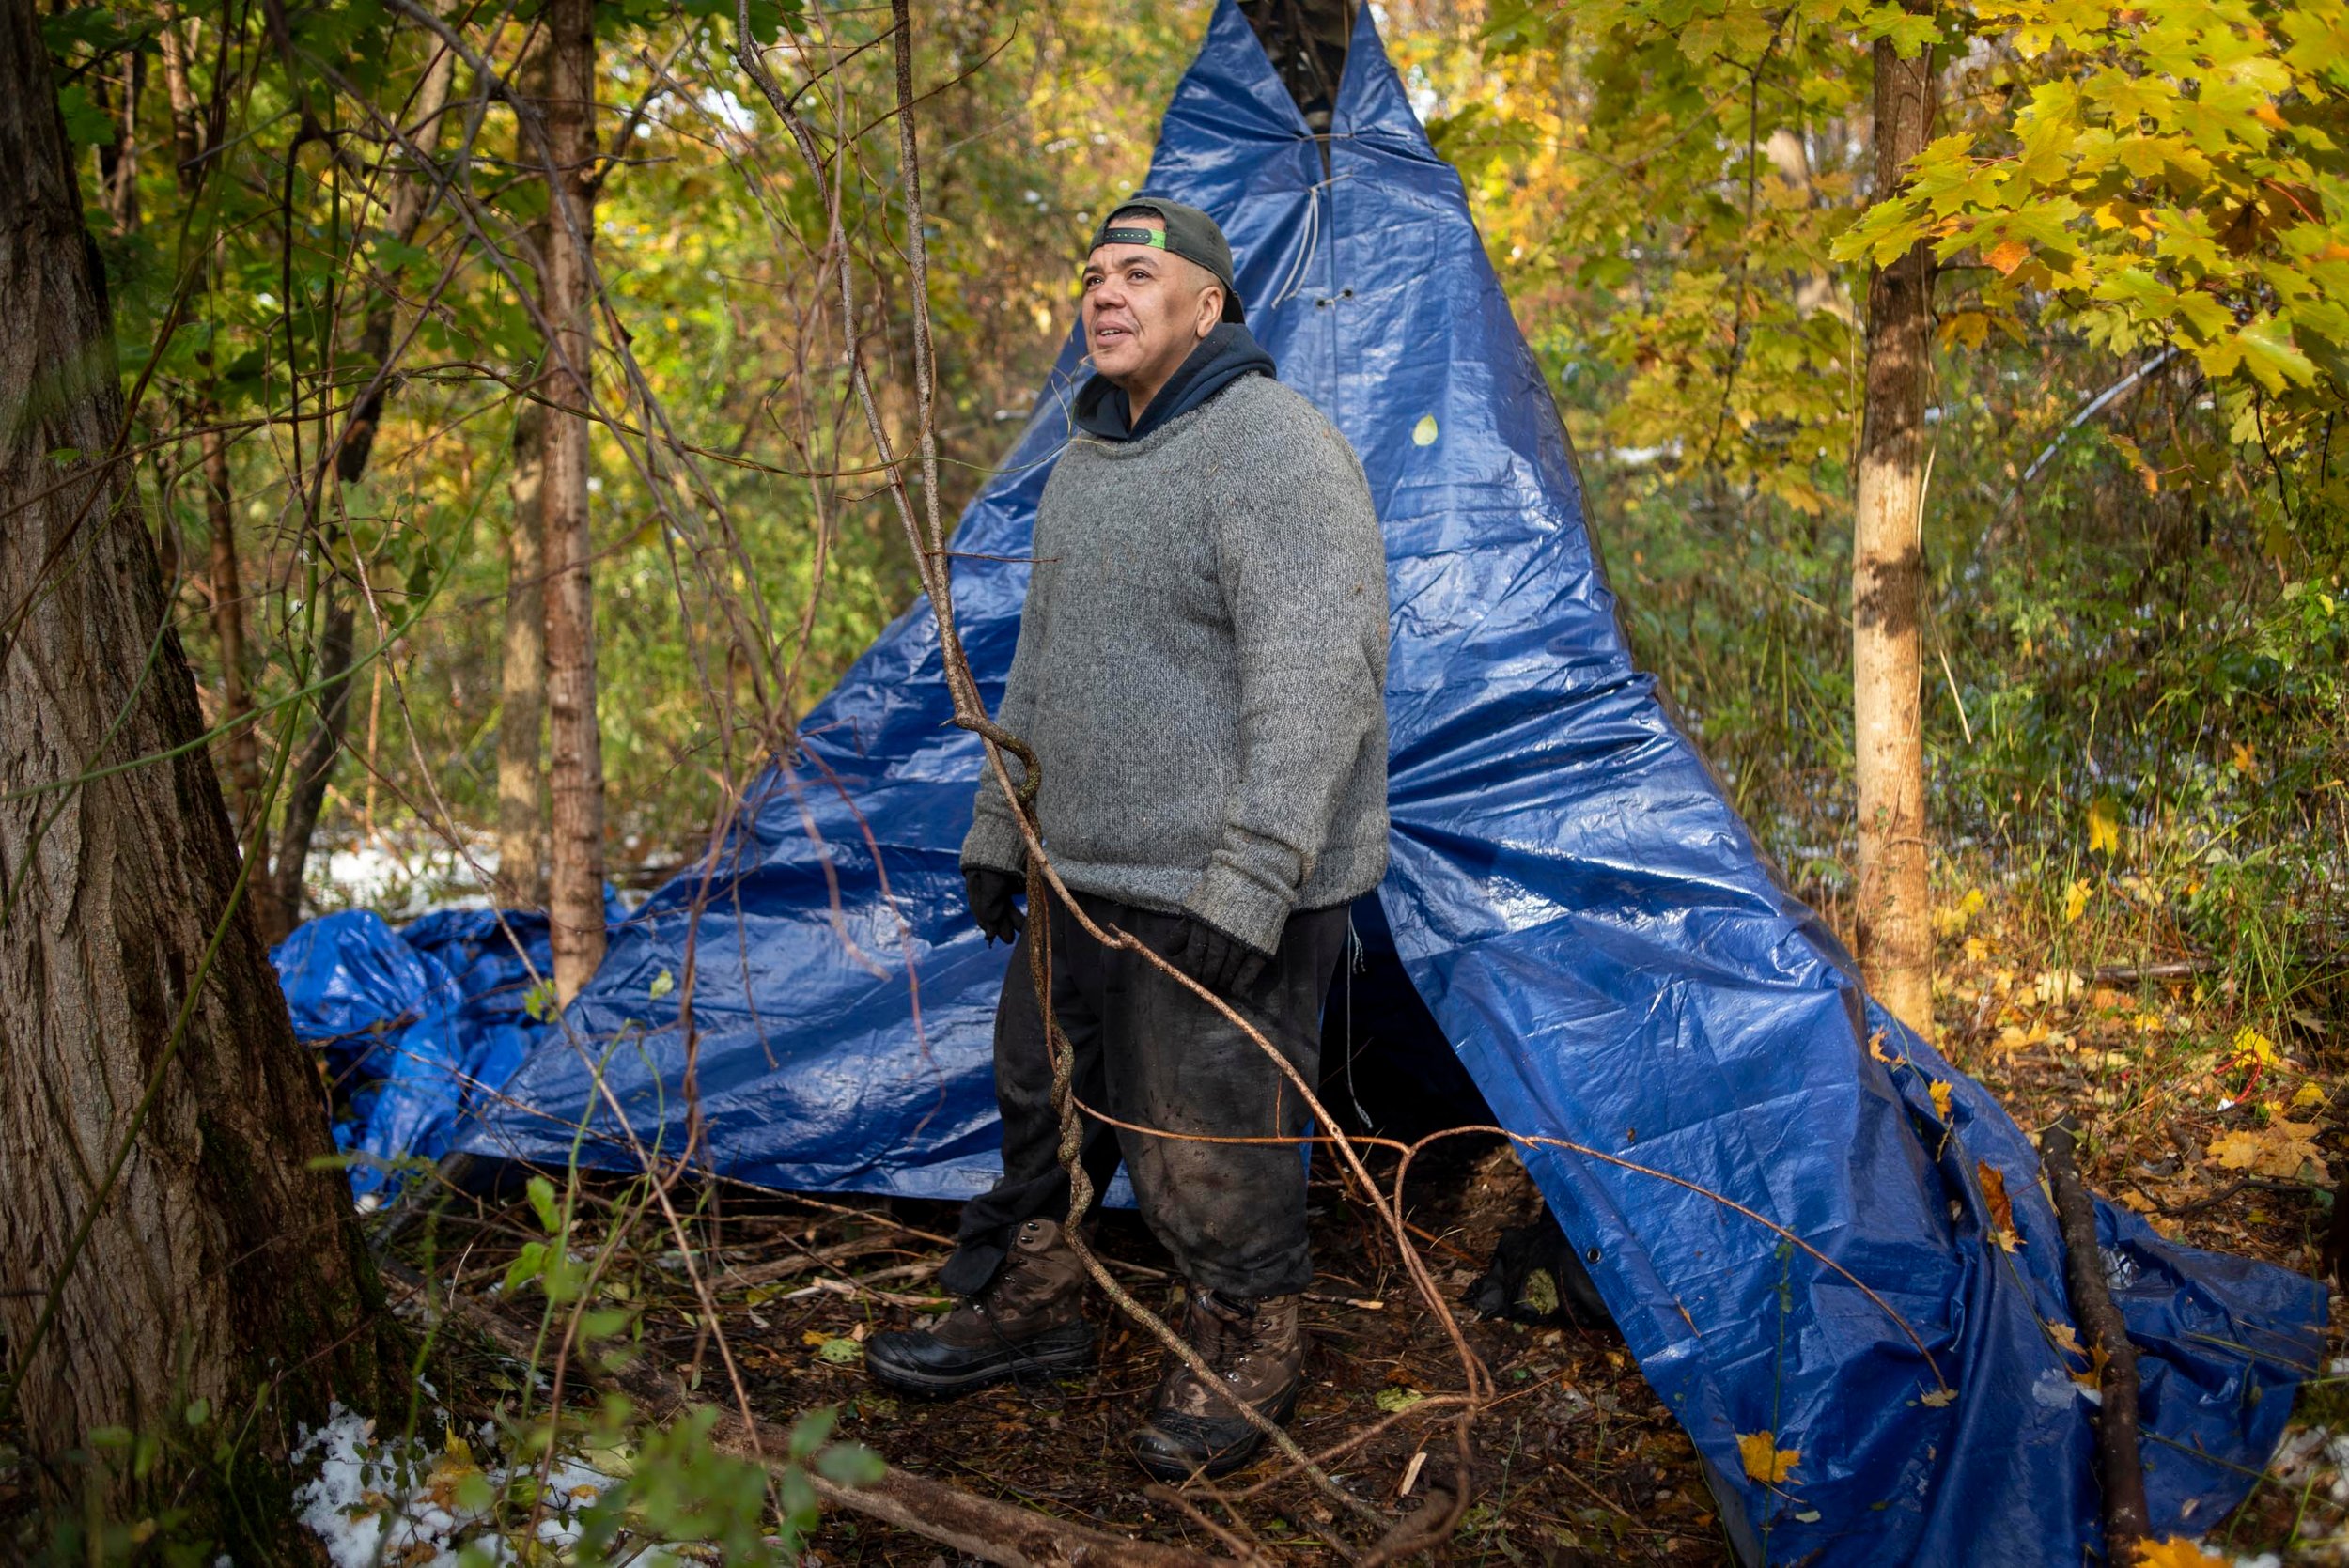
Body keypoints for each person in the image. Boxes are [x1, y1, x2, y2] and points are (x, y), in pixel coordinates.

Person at [863, 197, 1390, 1481]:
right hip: (1080, 869)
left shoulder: (1277, 448)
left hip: (1221, 883)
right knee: (1039, 1098)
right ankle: (1037, 1303)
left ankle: (1248, 1340)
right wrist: (1003, 824)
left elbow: (1322, 676)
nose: (1105, 292)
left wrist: (1254, 875)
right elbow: (1039, 663)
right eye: (1094, 273)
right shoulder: (1084, 463)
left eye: (1139, 274)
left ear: (1207, 306)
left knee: (1209, 1143)